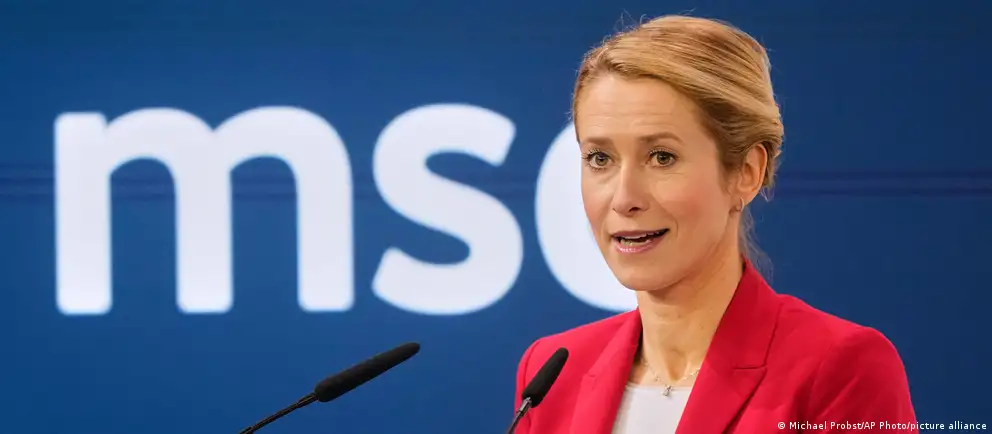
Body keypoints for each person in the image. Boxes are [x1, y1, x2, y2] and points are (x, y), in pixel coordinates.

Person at [512, 15, 917, 434]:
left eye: (662, 157)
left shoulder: (840, 368)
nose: (623, 198)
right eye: (600, 158)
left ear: (746, 172)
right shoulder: (552, 375)